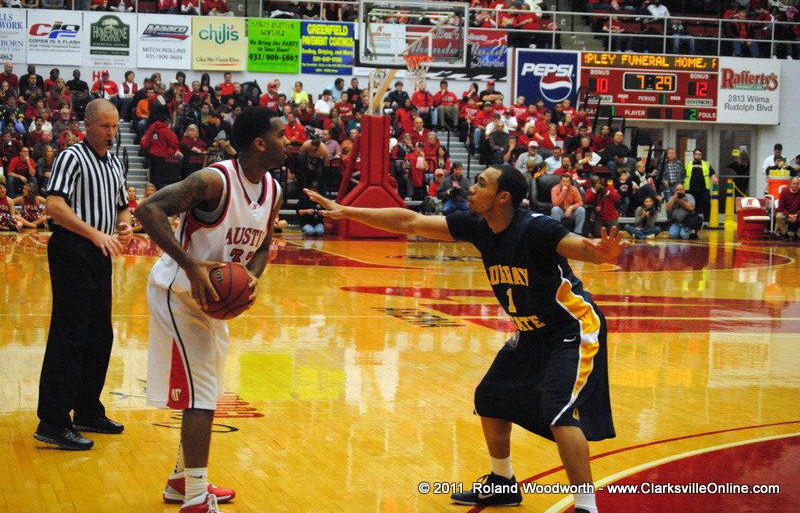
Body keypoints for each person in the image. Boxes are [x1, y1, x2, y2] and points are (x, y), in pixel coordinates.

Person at [304, 165, 624, 513]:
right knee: (490, 397)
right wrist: (346, 211)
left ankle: (587, 507)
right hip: (532, 332)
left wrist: (600, 253)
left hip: (571, 327)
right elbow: (410, 221)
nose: (471, 188)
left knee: (557, 409)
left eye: (481, 184)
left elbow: (582, 248)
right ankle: (502, 483)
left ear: (503, 197)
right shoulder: (479, 226)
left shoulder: (536, 227)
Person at [136, 106, 287, 513]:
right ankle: (197, 498)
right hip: (178, 292)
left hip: (214, 301)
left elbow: (264, 244)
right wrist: (190, 264)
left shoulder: (274, 189)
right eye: (281, 135)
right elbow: (148, 210)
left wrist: (252, 276)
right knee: (201, 395)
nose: (287, 141)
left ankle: (182, 481)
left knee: (209, 389)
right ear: (260, 143)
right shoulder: (214, 180)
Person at [34, 99, 132, 451]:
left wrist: (124, 225)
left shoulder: (115, 163)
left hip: (100, 250)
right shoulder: (71, 157)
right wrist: (94, 233)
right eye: (105, 126)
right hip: (72, 248)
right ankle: (53, 421)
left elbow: (122, 206)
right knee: (71, 334)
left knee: (99, 334)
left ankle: (88, 410)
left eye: (115, 126)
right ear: (86, 125)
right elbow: (54, 206)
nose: (111, 132)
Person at [684, 148, 717, 224]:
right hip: (690, 189)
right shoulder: (688, 164)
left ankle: (706, 221)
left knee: (706, 204)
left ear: (701, 156)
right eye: (696, 154)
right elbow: (683, 175)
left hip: (704, 189)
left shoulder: (706, 164)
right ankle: (693, 221)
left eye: (699, 154)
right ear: (693, 155)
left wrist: (714, 178)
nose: (698, 156)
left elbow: (712, 173)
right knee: (692, 205)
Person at [774, 176, 800, 241]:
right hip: (786, 213)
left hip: (797, 213)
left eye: (797, 184)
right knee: (779, 216)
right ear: (790, 184)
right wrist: (789, 215)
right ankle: (784, 234)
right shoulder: (784, 192)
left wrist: (796, 215)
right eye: (794, 184)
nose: (795, 185)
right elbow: (781, 206)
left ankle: (798, 235)